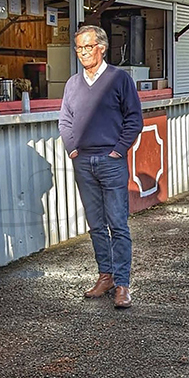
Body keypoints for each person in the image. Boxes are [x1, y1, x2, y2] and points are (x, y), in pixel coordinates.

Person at [58, 25, 143, 309]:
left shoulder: (119, 78)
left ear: (101, 47)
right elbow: (65, 121)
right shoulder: (72, 83)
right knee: (96, 225)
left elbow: (134, 119)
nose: (82, 52)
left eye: (87, 47)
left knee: (118, 224)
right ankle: (104, 276)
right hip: (83, 162)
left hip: (111, 161)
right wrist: (72, 150)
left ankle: (122, 284)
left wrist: (118, 151)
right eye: (79, 48)